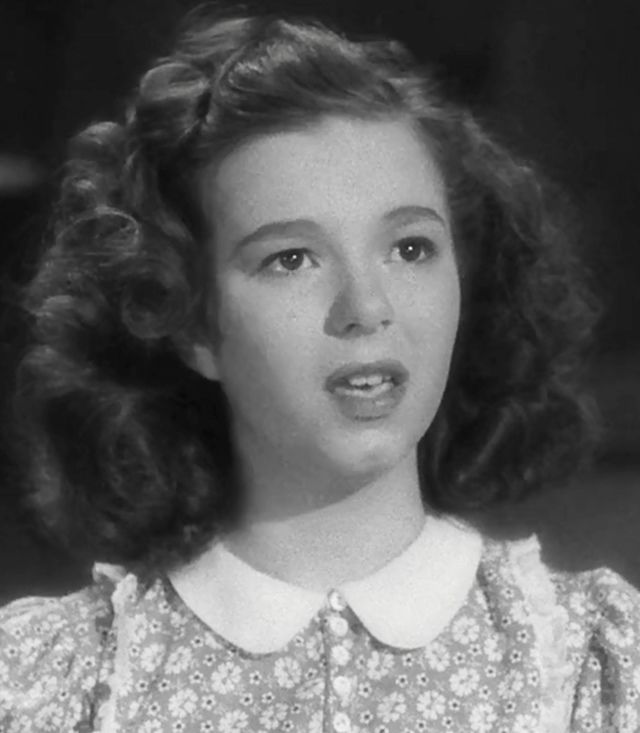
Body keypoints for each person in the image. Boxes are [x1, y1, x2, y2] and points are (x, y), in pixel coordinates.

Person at [1, 6, 638, 732]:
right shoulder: (51, 681)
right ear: (188, 320)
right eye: (292, 259)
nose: (366, 307)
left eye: (410, 249)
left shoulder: (596, 663)